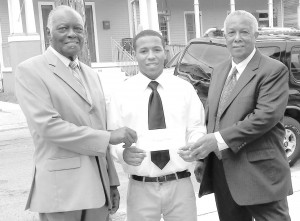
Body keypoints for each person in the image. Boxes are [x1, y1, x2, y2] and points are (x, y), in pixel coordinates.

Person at [15, 5, 137, 221]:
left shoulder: (90, 74)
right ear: (48, 33)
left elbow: (97, 129)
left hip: (98, 192)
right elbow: (49, 127)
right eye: (63, 28)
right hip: (62, 192)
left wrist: (111, 182)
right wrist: (110, 136)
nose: (72, 34)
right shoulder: (30, 70)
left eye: (78, 29)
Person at [185, 10, 293, 221]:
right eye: (231, 32)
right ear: (224, 37)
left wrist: (216, 140)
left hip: (260, 174)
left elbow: (264, 117)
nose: (237, 38)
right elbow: (213, 117)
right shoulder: (218, 70)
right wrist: (202, 158)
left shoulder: (273, 70)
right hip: (223, 172)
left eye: (244, 32)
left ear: (256, 35)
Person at [108, 30, 206, 221]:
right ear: (135, 55)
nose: (151, 56)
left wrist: (194, 146)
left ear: (165, 52)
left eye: (156, 49)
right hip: (141, 187)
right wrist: (122, 153)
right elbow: (113, 135)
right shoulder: (121, 93)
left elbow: (197, 127)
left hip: (179, 183)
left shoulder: (184, 89)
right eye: (144, 51)